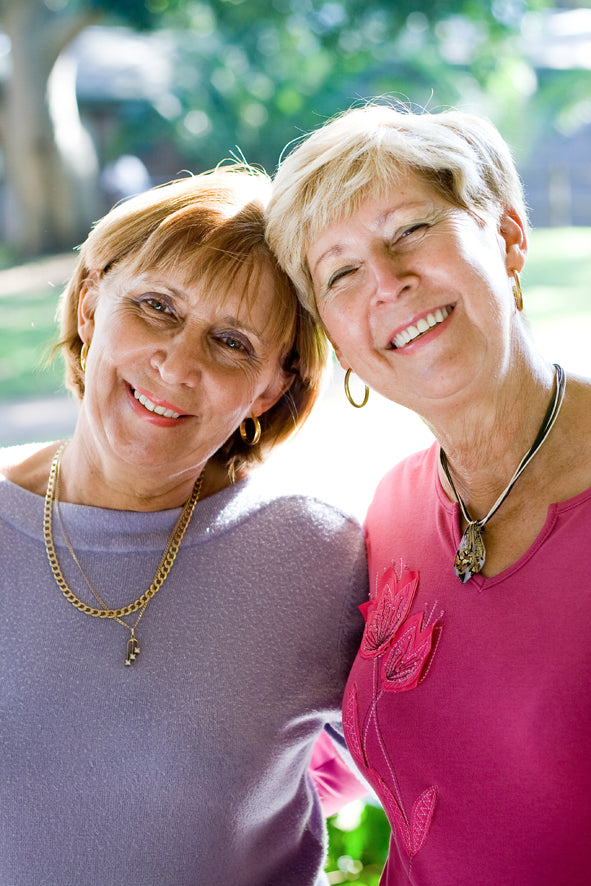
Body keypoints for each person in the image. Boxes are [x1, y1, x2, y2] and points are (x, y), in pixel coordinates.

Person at [0, 165, 369, 886]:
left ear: (272, 385)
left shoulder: (321, 555)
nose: (177, 362)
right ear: (88, 304)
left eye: (232, 342)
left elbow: (437, 777)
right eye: (156, 307)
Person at [266, 104, 591, 885]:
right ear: (335, 340)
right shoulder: (393, 510)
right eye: (339, 272)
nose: (386, 283)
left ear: (508, 238)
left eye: (409, 229)